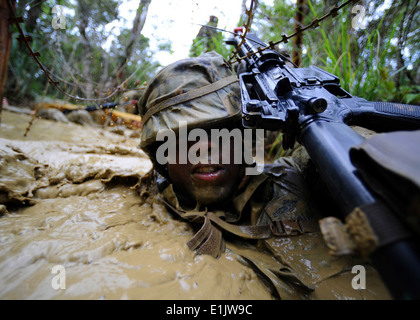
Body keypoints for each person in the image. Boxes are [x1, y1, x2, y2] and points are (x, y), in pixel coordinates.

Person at [137, 51, 391, 299]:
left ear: (244, 138)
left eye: (220, 130)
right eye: (182, 137)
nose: (204, 146)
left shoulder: (306, 174)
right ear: (162, 156)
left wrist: (327, 119)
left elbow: (381, 161)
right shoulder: (144, 207)